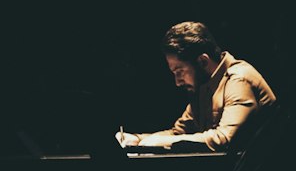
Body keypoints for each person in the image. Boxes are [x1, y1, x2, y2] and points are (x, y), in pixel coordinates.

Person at [116, 20, 277, 152]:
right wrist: (137, 140)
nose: (177, 82)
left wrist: (159, 142)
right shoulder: (203, 86)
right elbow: (178, 132)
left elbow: (224, 139)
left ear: (203, 61)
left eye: (180, 71)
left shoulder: (238, 79)